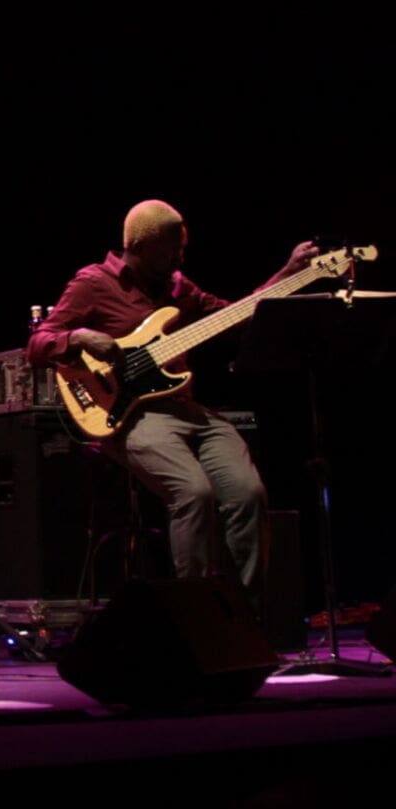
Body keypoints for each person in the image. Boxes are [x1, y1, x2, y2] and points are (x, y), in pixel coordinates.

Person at [26, 201, 316, 604]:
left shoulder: (179, 287)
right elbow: (38, 344)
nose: (180, 257)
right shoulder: (93, 282)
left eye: (182, 248)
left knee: (248, 493)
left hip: (186, 408)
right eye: (172, 249)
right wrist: (78, 338)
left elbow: (236, 316)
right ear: (140, 246)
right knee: (193, 493)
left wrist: (289, 274)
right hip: (131, 414)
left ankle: (244, 617)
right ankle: (195, 613)